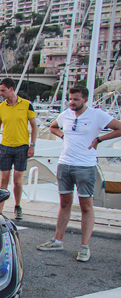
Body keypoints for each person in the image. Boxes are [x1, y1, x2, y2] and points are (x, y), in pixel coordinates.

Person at [37, 85, 121, 262]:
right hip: (65, 164)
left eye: (76, 99)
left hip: (85, 166)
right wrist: (62, 136)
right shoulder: (66, 114)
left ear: (85, 100)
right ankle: (57, 240)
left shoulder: (97, 115)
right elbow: (53, 127)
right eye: (71, 99)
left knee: (86, 206)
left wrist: (99, 139)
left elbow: (119, 128)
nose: (72, 102)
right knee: (64, 204)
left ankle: (84, 247)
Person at [0, 78, 38, 220]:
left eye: (3, 90)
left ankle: (17, 206)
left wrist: (32, 145)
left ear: (11, 89)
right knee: (4, 180)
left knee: (17, 180)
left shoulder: (27, 105)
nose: (1, 93)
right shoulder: (0, 108)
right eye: (0, 91)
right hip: (6, 147)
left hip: (22, 147)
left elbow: (34, 126)